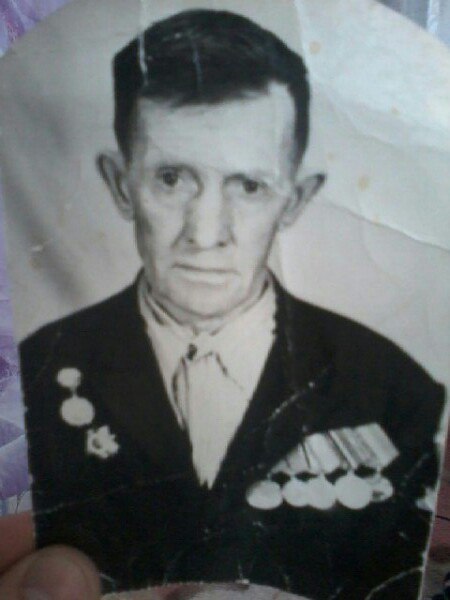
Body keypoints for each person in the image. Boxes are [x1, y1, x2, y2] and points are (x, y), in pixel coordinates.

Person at [19, 8, 445, 600]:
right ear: (121, 184)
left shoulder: (396, 391)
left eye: (248, 185)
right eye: (172, 178)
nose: (205, 233)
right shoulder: (36, 374)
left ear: (295, 200)